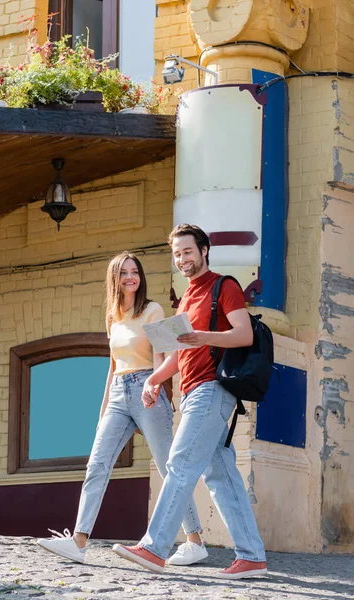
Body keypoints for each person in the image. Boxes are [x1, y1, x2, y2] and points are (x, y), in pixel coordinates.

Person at [112, 226, 267, 579]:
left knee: (180, 462)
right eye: (177, 254)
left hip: (213, 388)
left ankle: (154, 547)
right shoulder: (185, 298)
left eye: (187, 251)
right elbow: (180, 354)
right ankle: (253, 556)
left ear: (204, 250)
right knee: (221, 476)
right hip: (191, 390)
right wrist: (154, 380)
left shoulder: (222, 286)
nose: (182, 259)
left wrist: (201, 336)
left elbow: (242, 334)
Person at [37, 251, 207, 566]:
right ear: (114, 278)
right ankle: (79, 541)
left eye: (135, 272)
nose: (131, 277)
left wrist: (155, 385)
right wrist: (103, 410)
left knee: (169, 467)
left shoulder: (153, 310)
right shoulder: (113, 316)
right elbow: (113, 366)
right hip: (118, 392)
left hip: (147, 389)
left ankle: (194, 540)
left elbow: (165, 353)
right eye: (124, 272)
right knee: (97, 465)